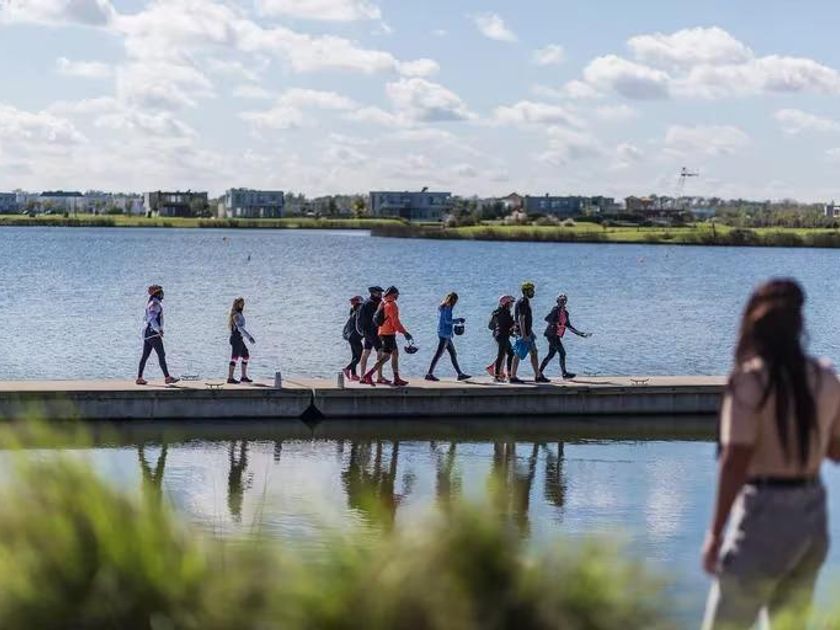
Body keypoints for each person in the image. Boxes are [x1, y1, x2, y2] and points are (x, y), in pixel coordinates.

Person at [701, 279, 840, 629]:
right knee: (789, 624)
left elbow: (736, 460)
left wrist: (715, 534)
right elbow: (836, 450)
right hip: (812, 514)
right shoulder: (825, 377)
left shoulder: (750, 381)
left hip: (764, 513)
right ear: (799, 325)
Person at [362, 286, 413, 387]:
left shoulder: (383, 303)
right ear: (392, 294)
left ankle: (396, 378)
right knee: (386, 357)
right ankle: (369, 375)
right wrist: (405, 333)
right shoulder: (392, 305)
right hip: (388, 334)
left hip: (383, 332)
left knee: (395, 353)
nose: (398, 295)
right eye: (397, 293)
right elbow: (395, 322)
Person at [539, 294, 591, 380]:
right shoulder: (555, 310)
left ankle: (539, 373)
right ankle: (564, 373)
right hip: (551, 335)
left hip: (556, 336)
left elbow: (569, 326)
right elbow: (547, 319)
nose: (562, 302)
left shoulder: (566, 313)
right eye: (561, 300)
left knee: (551, 355)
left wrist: (580, 334)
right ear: (557, 301)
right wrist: (556, 322)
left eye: (564, 300)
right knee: (562, 353)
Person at [136, 284, 179, 385]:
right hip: (153, 334)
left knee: (145, 356)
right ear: (158, 294)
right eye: (161, 293)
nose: (163, 295)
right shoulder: (155, 304)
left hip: (148, 334)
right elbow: (152, 319)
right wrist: (159, 330)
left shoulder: (152, 303)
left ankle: (139, 378)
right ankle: (167, 377)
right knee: (161, 354)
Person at [509, 281, 549, 384]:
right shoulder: (523, 301)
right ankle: (513, 376)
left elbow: (526, 319)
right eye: (531, 290)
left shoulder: (525, 301)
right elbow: (521, 318)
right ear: (526, 291)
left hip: (527, 332)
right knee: (518, 353)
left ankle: (538, 375)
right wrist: (524, 335)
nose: (533, 292)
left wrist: (530, 332)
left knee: (534, 352)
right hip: (523, 333)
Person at [425, 292, 471, 381]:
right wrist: (458, 320)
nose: (456, 303)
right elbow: (447, 321)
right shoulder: (447, 307)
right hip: (444, 334)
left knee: (453, 354)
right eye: (456, 301)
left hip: (446, 334)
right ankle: (429, 374)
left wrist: (456, 321)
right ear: (453, 299)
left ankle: (460, 374)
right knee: (438, 354)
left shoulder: (444, 306)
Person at [356, 286, 387, 384]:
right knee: (380, 351)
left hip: (367, 332)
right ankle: (379, 376)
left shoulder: (367, 302)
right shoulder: (372, 303)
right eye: (379, 292)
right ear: (373, 293)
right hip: (373, 332)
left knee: (366, 352)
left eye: (381, 292)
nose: (381, 294)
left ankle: (362, 377)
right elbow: (377, 319)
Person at [485, 295, 515, 382]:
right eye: (511, 303)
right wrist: (514, 326)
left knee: (510, 353)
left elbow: (490, 326)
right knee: (502, 355)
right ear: (506, 303)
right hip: (503, 336)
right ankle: (498, 376)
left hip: (499, 335)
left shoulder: (496, 312)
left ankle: (507, 374)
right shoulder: (506, 313)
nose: (512, 305)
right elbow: (509, 325)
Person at [227, 297, 255, 384]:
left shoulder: (239, 313)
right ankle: (230, 378)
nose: (243, 305)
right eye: (241, 303)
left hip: (239, 338)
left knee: (246, 356)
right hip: (235, 338)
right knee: (234, 358)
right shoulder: (235, 315)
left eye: (243, 303)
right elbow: (239, 328)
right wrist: (249, 337)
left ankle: (243, 377)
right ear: (237, 304)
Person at [342, 295, 364, 381]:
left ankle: (354, 375)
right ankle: (347, 369)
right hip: (355, 337)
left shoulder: (353, 311)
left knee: (354, 356)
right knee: (359, 356)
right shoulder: (360, 311)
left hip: (350, 336)